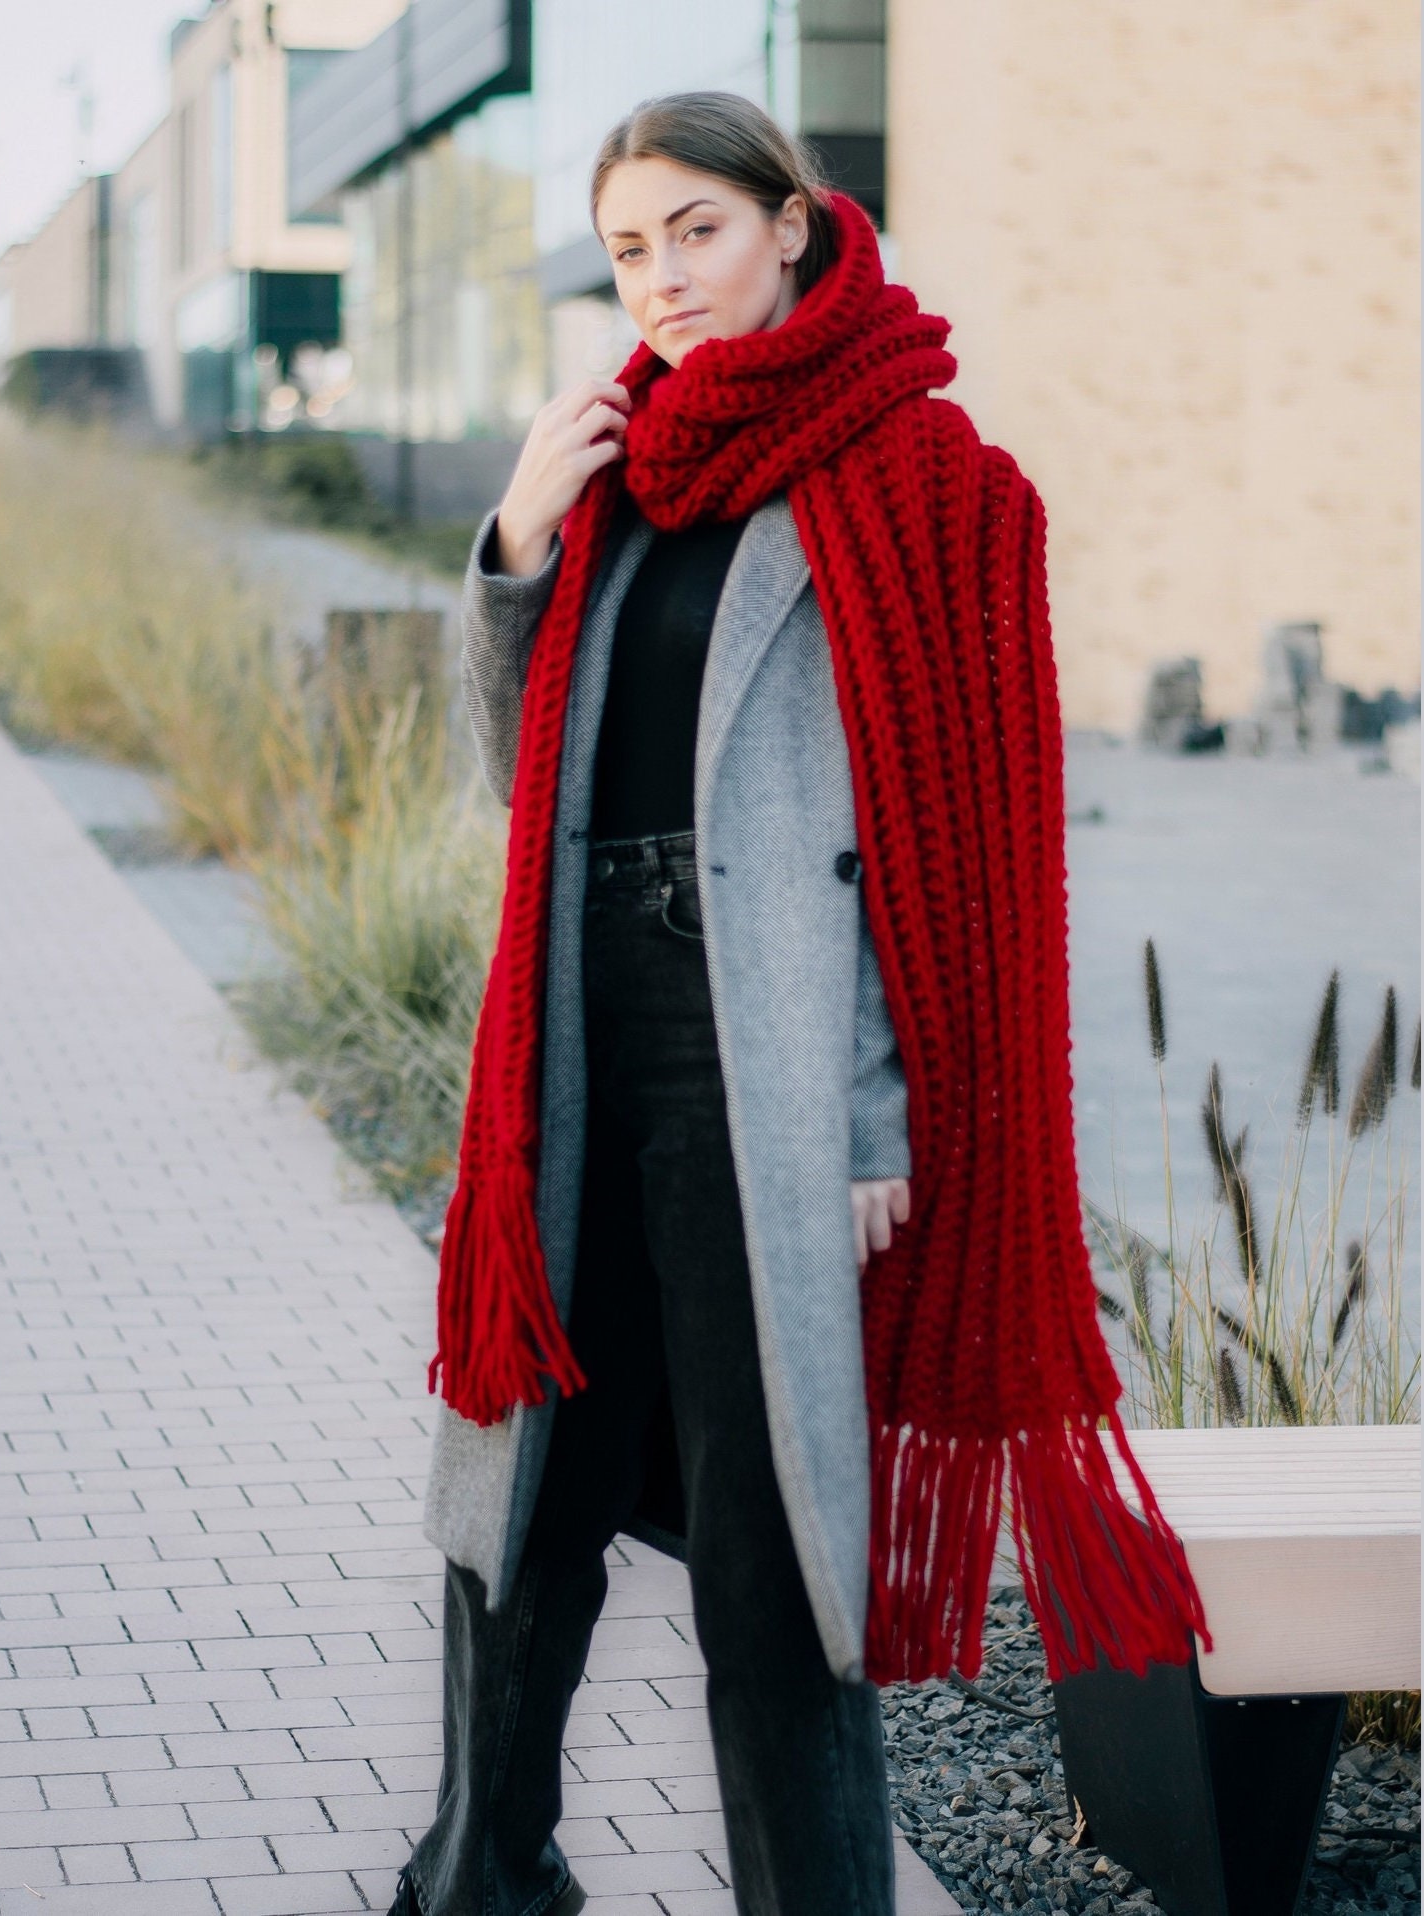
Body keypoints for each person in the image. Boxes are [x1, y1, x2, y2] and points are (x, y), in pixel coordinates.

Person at [392, 88, 1205, 1916]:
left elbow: (968, 860)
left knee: (771, 1565)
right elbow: (512, 785)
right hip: (578, 1052)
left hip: (759, 1062)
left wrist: (871, 1113)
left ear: (790, 222)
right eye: (627, 249)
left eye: (695, 228)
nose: (665, 279)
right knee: (520, 1519)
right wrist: (515, 542)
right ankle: (482, 1886)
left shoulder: (926, 479)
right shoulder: (614, 468)